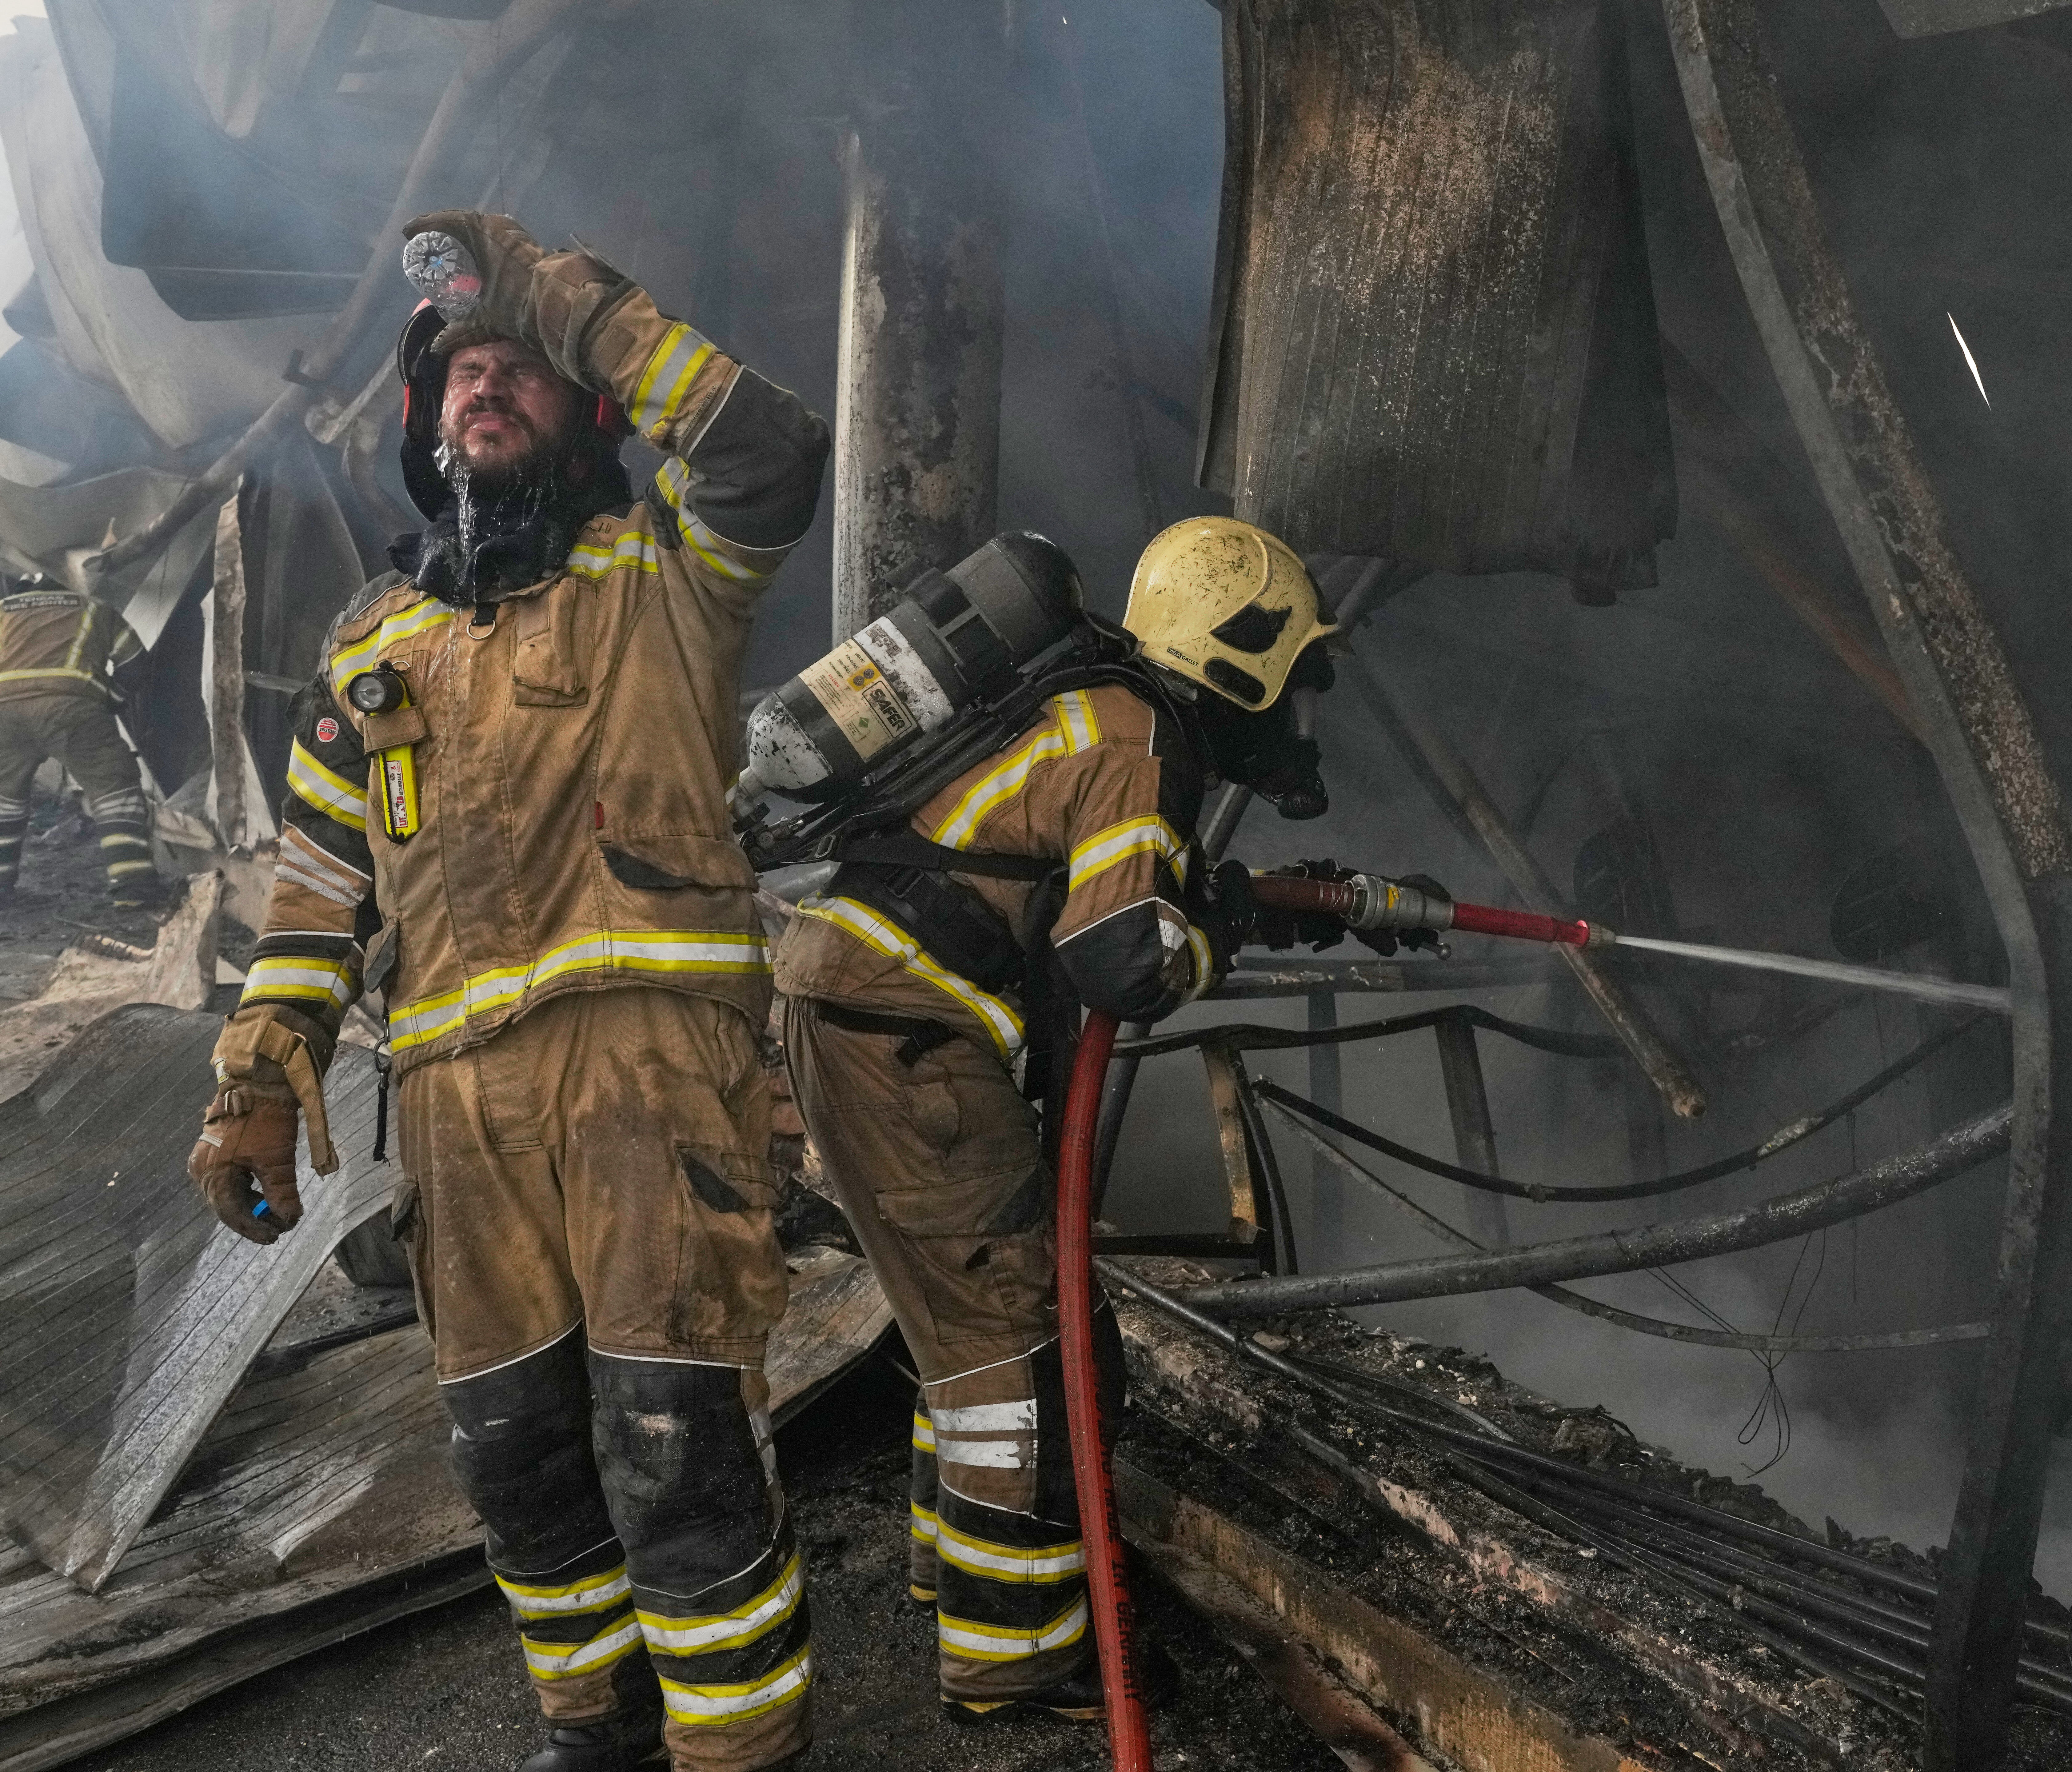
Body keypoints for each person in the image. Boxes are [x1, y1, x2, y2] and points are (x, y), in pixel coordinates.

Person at [184, 210, 830, 1772]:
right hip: (458, 1115)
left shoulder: (669, 574)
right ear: (425, 427)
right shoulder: (372, 651)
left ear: (587, 411)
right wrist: (261, 1082)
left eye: (517, 375)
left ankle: (742, 1755)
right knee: (516, 1457)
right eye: (463, 374)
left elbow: (769, 448)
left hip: (650, 1078)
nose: (484, 385)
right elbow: (321, 894)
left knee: (676, 1443)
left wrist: (553, 295)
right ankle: (593, 1738)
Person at [771, 516, 1347, 1722]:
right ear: (1235, 657)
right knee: (1023, 1350)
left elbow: (1057, 865)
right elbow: (1120, 957)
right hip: (908, 1045)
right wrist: (1209, 939)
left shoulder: (1092, 705)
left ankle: (967, 1577)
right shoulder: (1139, 744)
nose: (1296, 710)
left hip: (867, 1014)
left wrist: (1227, 899)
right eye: (1290, 675)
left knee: (975, 1331)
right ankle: (1014, 1655)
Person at [0, 571, 152, 904]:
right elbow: (136, 664)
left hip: (4, 713)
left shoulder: (3, 611)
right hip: (73, 709)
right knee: (115, 788)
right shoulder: (95, 608)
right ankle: (133, 890)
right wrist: (113, 699)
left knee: (3, 802)